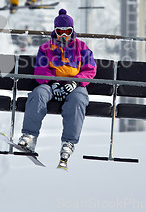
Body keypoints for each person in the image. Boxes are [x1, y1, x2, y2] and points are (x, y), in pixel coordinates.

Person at [18, 9, 97, 162]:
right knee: (38, 94)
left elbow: (90, 69)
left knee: (78, 100)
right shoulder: (46, 48)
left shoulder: (81, 47)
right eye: (60, 32)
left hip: (75, 86)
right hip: (51, 85)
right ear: (55, 31)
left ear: (72, 31)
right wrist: (53, 82)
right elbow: (41, 69)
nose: (64, 36)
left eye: (67, 31)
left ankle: (68, 142)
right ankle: (29, 136)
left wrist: (75, 82)